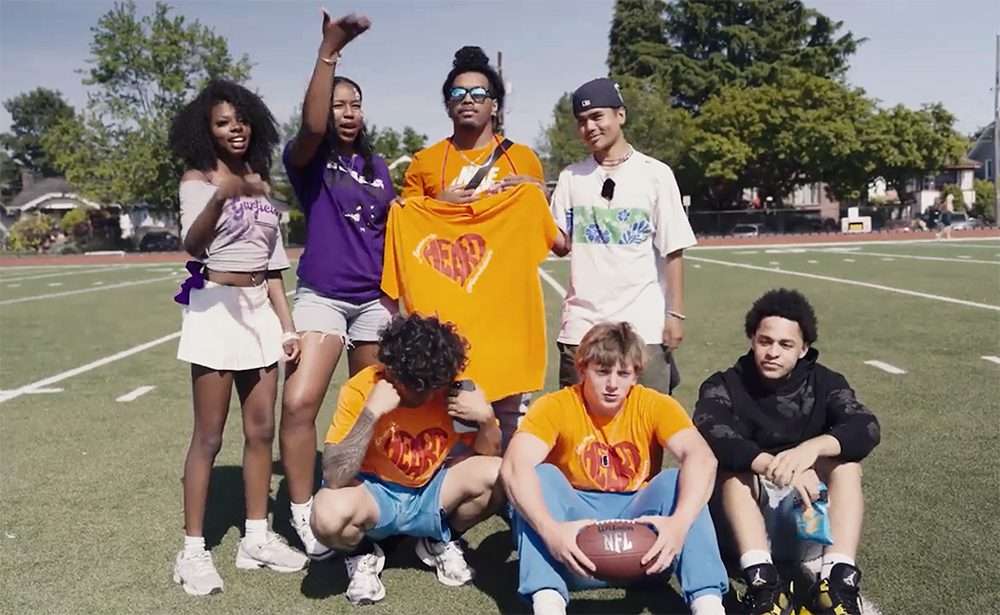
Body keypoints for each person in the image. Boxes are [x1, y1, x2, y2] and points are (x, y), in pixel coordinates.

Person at [169, 80, 307, 596]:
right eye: (224, 122)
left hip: (259, 314)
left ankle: (256, 537)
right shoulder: (198, 178)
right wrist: (219, 196)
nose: (235, 129)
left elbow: (273, 268)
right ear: (207, 129)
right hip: (215, 308)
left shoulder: (261, 182)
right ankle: (192, 551)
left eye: (242, 120)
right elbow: (193, 242)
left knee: (260, 431)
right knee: (208, 434)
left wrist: (287, 325)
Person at [501, 322, 728, 615]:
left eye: (623, 373)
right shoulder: (556, 405)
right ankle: (547, 602)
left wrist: (679, 524)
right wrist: (551, 531)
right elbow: (514, 466)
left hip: (643, 550)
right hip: (572, 545)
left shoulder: (654, 404)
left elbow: (702, 457)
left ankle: (708, 605)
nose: (612, 384)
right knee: (540, 476)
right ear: (582, 370)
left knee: (678, 480)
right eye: (602, 372)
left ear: (635, 375)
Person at [396, 45, 557, 449]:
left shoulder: (523, 159)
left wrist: (535, 194)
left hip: (506, 307)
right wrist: (437, 205)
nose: (468, 100)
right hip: (450, 303)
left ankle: (511, 489)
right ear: (447, 106)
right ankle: (456, 487)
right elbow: (405, 221)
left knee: (510, 411)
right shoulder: (425, 162)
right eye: (458, 94)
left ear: (495, 105)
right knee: (446, 406)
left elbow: (551, 237)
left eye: (479, 93)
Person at [279, 11, 395, 561]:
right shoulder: (310, 159)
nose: (346, 112)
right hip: (322, 298)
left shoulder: (378, 166)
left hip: (373, 303)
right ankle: (304, 512)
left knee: (370, 409)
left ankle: (360, 503)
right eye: (337, 104)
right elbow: (310, 127)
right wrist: (329, 53)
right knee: (301, 400)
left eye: (354, 104)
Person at [694, 289, 881, 615]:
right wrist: (771, 465)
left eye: (785, 345)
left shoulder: (826, 383)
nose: (772, 353)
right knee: (733, 472)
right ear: (752, 338)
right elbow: (712, 432)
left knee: (846, 466)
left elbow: (866, 427)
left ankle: (838, 577)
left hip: (808, 518)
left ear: (804, 349)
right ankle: (762, 581)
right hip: (743, 524)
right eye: (765, 341)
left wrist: (813, 448)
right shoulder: (724, 384)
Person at [310, 314, 504, 606]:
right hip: (375, 495)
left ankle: (439, 539)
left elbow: (488, 457)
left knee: (501, 474)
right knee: (326, 515)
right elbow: (335, 476)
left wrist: (487, 420)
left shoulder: (452, 389)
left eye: (427, 386)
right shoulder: (363, 388)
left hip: (430, 490)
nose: (418, 394)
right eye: (410, 383)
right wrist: (371, 414)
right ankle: (362, 552)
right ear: (390, 367)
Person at [549, 78, 696, 395]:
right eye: (582, 121)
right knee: (578, 430)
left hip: (643, 325)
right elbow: (561, 246)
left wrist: (675, 314)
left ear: (620, 116)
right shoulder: (571, 177)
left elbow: (673, 250)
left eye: (597, 116)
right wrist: (531, 204)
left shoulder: (655, 174)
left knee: (646, 427)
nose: (589, 127)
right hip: (582, 324)